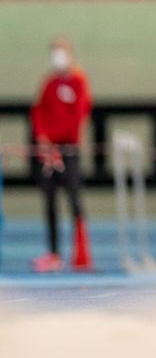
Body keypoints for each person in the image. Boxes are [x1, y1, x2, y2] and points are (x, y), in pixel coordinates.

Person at [29, 37, 92, 273]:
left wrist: (64, 142)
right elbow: (38, 112)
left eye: (61, 52)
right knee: (49, 200)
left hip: (68, 151)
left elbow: (78, 116)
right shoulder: (49, 83)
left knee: (75, 199)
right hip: (48, 152)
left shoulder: (79, 81)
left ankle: (82, 251)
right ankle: (54, 253)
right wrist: (43, 139)